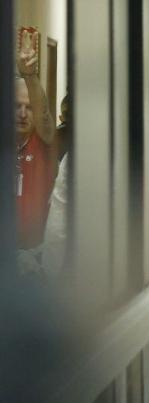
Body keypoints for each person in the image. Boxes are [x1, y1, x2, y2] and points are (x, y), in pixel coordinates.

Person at [15, 29, 57, 253]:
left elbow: (44, 119)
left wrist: (30, 76)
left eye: (29, 107)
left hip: (36, 255)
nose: (23, 113)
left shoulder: (43, 140)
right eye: (17, 106)